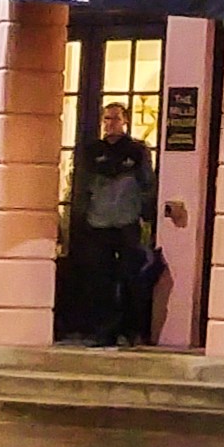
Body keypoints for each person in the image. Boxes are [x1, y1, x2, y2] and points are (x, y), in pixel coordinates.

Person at [65, 101, 160, 346]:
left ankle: (130, 330)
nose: (110, 124)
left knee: (130, 278)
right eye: (106, 119)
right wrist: (79, 216)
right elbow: (81, 186)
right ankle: (101, 331)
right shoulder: (91, 151)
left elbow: (147, 184)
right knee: (100, 280)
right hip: (98, 223)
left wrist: (146, 216)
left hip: (127, 222)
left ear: (125, 121)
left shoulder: (137, 151)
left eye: (115, 119)